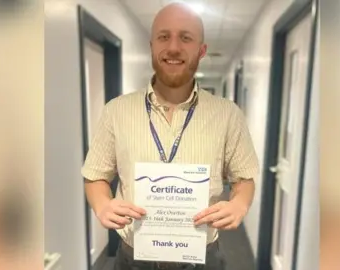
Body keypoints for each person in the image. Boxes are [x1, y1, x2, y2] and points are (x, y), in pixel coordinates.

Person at [81, 2, 259, 270]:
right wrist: (102, 204)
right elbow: (95, 175)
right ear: (151, 45)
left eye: (185, 38)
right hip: (133, 258)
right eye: (164, 37)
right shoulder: (115, 111)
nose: (174, 47)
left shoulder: (228, 114)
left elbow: (244, 178)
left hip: (203, 257)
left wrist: (240, 205)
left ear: (202, 50)